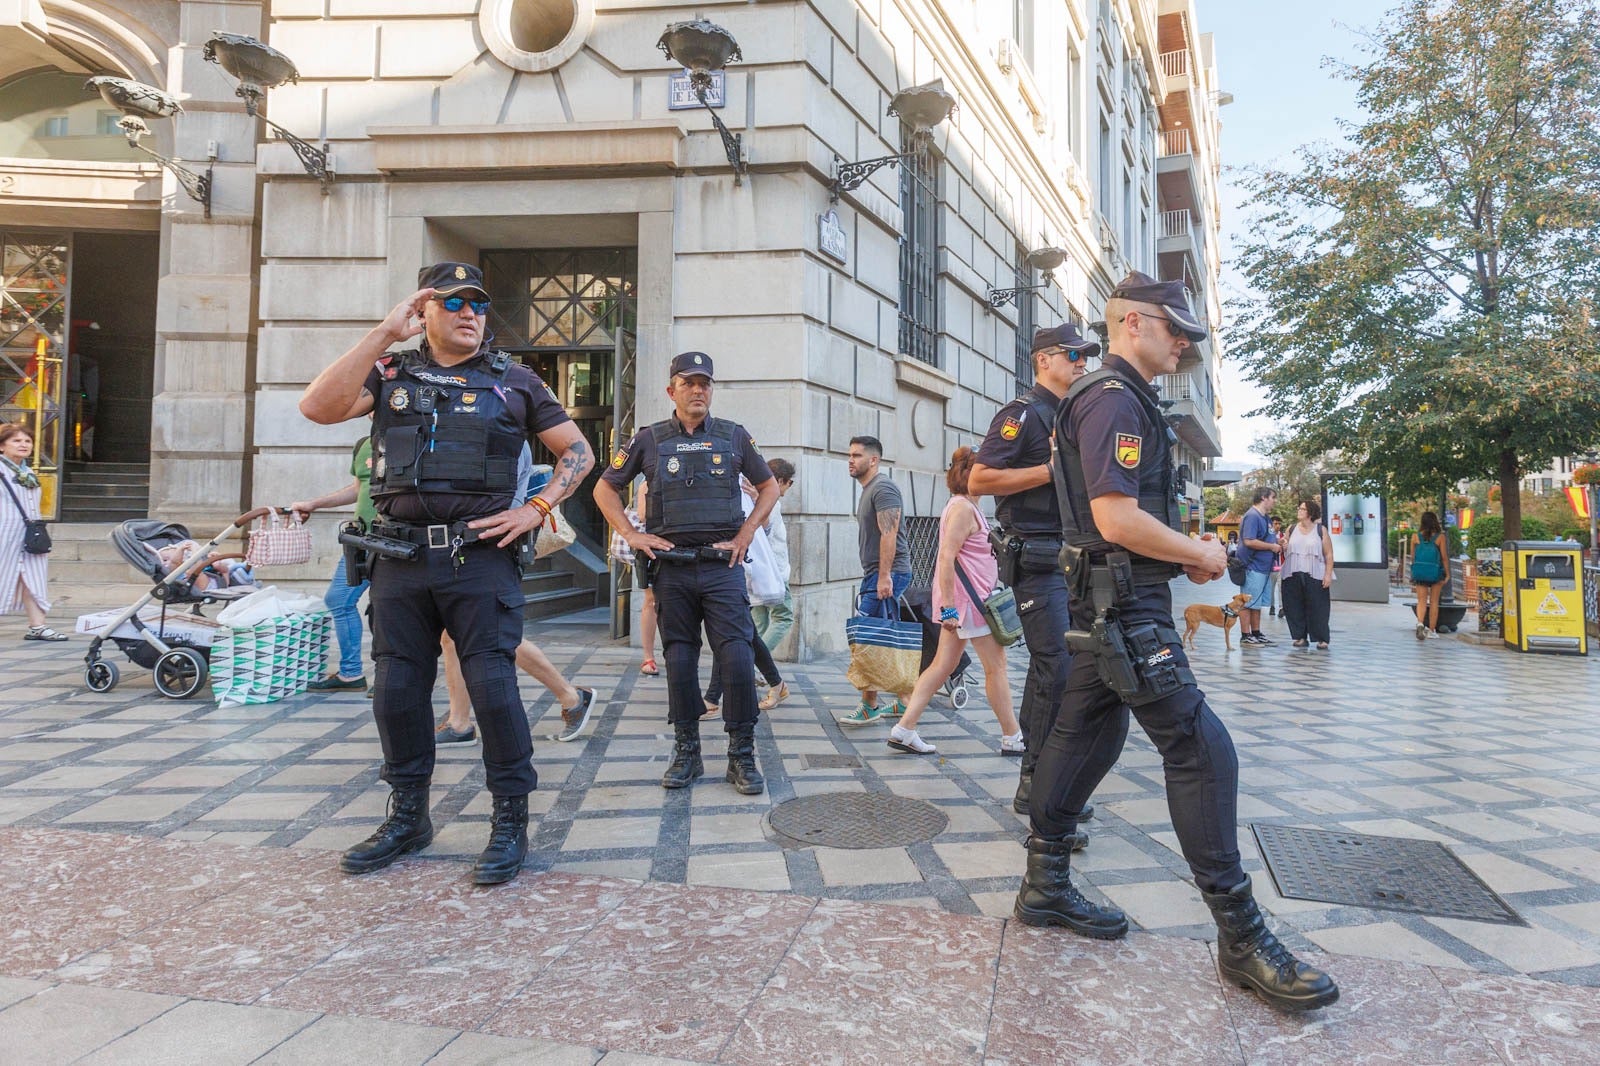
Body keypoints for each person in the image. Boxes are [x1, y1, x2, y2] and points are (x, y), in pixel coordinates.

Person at [1014, 271, 1338, 1012]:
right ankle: (1242, 937)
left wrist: (1182, 547)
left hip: (1110, 600)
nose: (1187, 340)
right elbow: (1115, 518)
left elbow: (1120, 519)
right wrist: (1199, 554)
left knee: (1084, 736)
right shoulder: (1116, 400)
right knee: (1199, 747)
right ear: (1131, 322)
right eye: (1175, 326)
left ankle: (1045, 885)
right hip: (1127, 607)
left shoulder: (1105, 397)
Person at [299, 261, 593, 886]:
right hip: (400, 559)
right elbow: (317, 407)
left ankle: (509, 821)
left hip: (478, 559)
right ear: (424, 310)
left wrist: (536, 507)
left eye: (479, 305)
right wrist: (383, 333)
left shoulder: (513, 380)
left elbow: (579, 452)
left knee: (493, 689)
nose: (469, 314)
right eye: (453, 302)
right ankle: (409, 816)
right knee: (397, 691)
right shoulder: (391, 372)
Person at [595, 351, 778, 795]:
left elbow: (769, 486)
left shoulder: (735, 437)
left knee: (736, 659)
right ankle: (687, 752)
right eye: (689, 382)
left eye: (705, 383)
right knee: (679, 661)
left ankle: (742, 755)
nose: (698, 390)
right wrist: (632, 534)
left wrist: (746, 534)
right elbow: (605, 487)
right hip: (672, 570)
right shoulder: (648, 439)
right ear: (671, 390)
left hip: (722, 568)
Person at [971, 322, 1100, 819]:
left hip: (1071, 562)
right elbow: (981, 478)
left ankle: (1046, 780)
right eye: (1074, 354)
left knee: (1066, 673)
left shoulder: (1072, 414)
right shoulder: (1021, 415)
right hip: (1036, 562)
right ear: (1044, 359)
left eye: (1086, 356)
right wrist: (1050, 470)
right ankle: (1036, 785)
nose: (1082, 363)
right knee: (1056, 669)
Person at [436, 450, 595, 745]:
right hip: (470, 545)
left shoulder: (501, 423)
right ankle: (459, 722)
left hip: (492, 546)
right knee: (455, 634)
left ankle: (571, 696)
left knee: (493, 631)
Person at [886, 447, 1024, 757]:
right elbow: (946, 559)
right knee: (996, 668)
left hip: (965, 603)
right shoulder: (962, 508)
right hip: (968, 605)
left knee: (942, 666)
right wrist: (948, 607)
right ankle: (1012, 736)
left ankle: (904, 729)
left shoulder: (966, 506)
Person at [289, 434, 374, 691]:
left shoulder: (410, 435)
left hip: (396, 540)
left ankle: (388, 677)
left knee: (388, 610)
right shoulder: (363, 444)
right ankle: (351, 673)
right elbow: (359, 488)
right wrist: (314, 504)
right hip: (360, 540)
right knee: (338, 599)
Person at [840, 435, 913, 725]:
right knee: (878, 638)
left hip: (888, 574)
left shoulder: (883, 488)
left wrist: (884, 577)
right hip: (879, 574)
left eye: (857, 455)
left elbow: (889, 534)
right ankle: (903, 700)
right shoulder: (869, 489)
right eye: (850, 455)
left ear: (873, 460)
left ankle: (876, 704)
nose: (851, 460)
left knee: (866, 638)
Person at [703, 474, 790, 715]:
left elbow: (766, 529)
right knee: (743, 631)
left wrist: (757, 504)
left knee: (729, 629)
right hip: (727, 562)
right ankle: (777, 684)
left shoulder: (750, 482)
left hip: (744, 566)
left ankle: (712, 698)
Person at [0, 424, 66, 642]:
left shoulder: (27, 472)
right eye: (16, 441)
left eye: (27, 441)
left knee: (34, 578)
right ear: (2, 446)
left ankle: (38, 626)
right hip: (4, 532)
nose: (23, 445)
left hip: (30, 533)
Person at [1280, 500, 1335, 649]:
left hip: (1315, 572)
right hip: (1293, 572)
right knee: (1293, 605)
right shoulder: (1291, 529)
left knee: (1318, 606)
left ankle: (1321, 638)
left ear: (1310, 513)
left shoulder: (1320, 530)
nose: (1299, 510)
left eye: (1302, 509)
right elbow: (1285, 546)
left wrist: (1328, 574)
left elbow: (1329, 554)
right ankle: (1300, 636)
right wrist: (1283, 545)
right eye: (1299, 508)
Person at [1237, 488, 1281, 646]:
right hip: (1252, 567)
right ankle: (1245, 634)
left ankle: (1256, 632)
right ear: (1264, 498)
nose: (1274, 501)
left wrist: (1278, 543)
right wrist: (1271, 546)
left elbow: (1269, 538)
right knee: (1248, 602)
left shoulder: (1266, 518)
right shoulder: (1252, 516)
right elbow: (1249, 540)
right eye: (1273, 497)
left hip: (1264, 567)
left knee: (1257, 603)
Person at [1411, 511, 1448, 640]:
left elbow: (1413, 557)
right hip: (1436, 573)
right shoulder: (1440, 537)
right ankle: (1431, 630)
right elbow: (1444, 558)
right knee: (1434, 602)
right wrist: (1447, 574)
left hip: (1420, 571)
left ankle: (1420, 623)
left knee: (1421, 600)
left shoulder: (1415, 536)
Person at [1267, 516, 1285, 618]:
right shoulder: (1268, 537)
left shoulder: (1283, 536)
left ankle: (1281, 607)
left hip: (1281, 565)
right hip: (1271, 566)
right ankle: (1272, 606)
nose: (1278, 526)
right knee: (1271, 588)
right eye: (1275, 523)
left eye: (1279, 523)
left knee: (1281, 587)